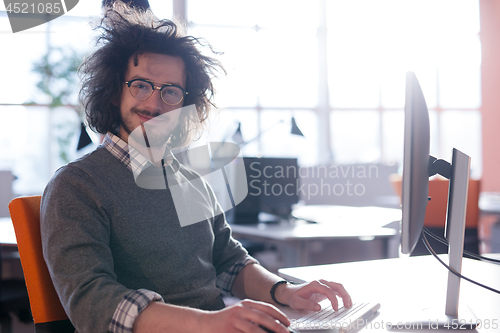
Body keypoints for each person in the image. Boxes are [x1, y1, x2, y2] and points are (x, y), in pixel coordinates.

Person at [40, 3, 352, 333]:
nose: (154, 104)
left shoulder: (188, 177)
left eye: (171, 91)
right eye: (141, 85)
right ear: (114, 89)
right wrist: (207, 323)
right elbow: (93, 303)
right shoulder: (76, 186)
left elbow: (229, 261)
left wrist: (285, 291)